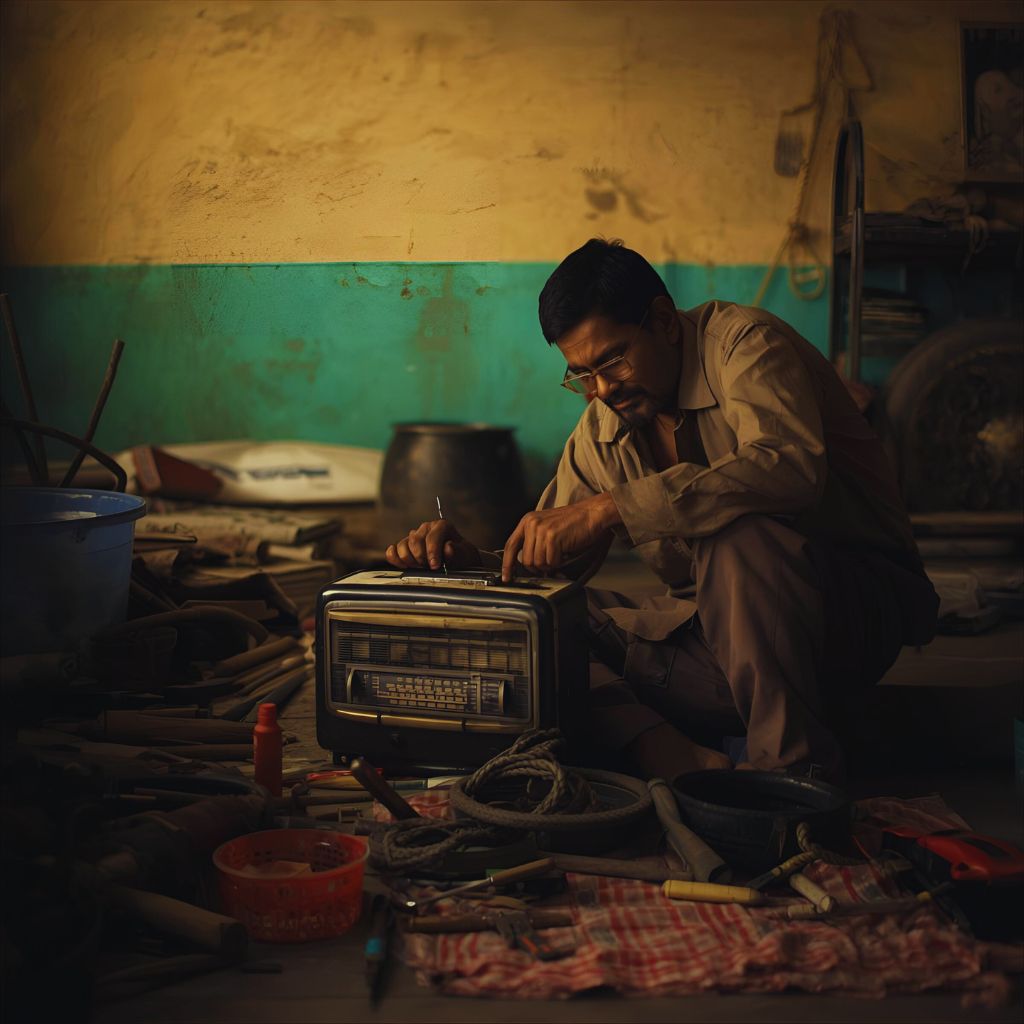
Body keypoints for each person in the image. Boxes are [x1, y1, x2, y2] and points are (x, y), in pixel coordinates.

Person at [385, 239, 938, 784]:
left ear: (665, 322)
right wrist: (468, 564)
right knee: (546, 625)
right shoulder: (603, 425)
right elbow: (541, 567)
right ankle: (672, 754)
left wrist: (611, 509)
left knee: (736, 531)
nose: (601, 389)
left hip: (848, 616)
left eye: (613, 360)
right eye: (581, 373)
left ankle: (790, 777)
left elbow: (788, 468)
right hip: (718, 644)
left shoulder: (745, 346)